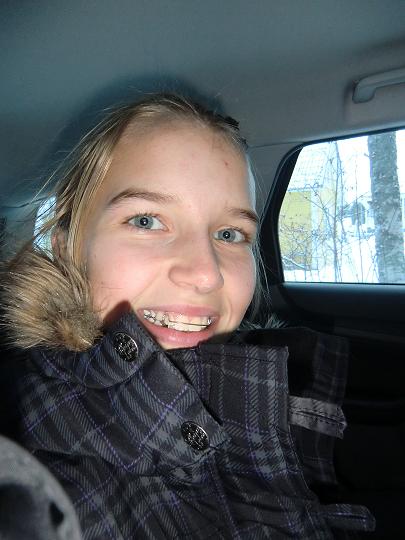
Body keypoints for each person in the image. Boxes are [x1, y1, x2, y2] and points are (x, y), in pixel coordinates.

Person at [1, 93, 375, 539]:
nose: (205, 273)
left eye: (229, 233)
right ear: (67, 247)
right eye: (146, 221)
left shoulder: (266, 385)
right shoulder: (31, 472)